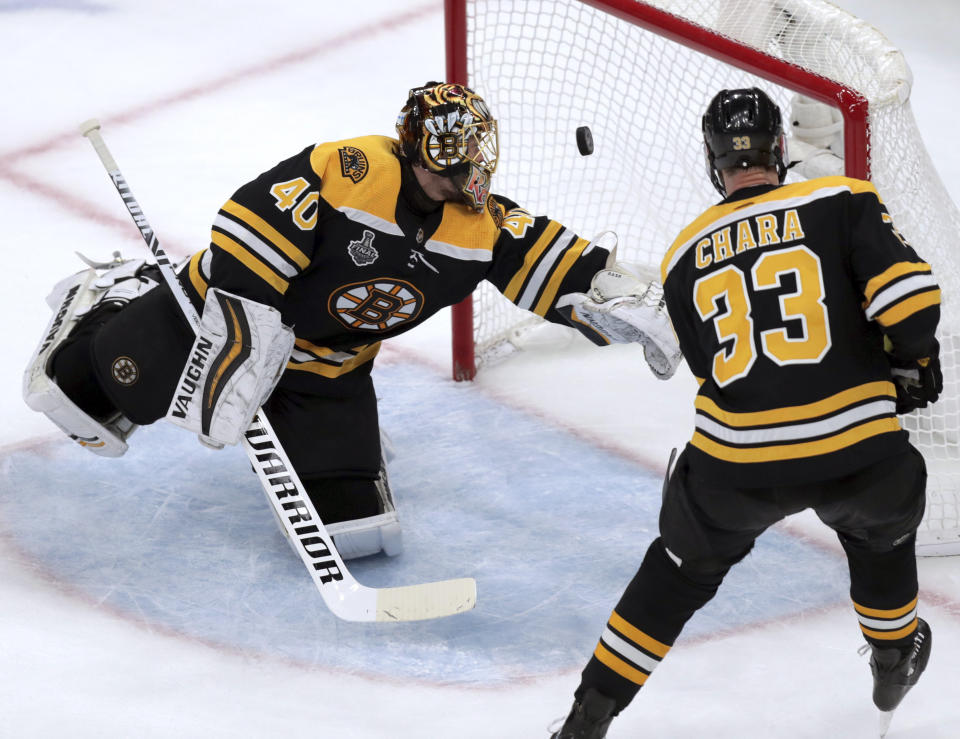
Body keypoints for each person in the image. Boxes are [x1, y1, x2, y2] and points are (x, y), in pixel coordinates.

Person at [23, 81, 681, 561]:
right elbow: (246, 228)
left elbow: (544, 255)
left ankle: (308, 422)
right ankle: (110, 302)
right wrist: (242, 342)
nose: (477, 180)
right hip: (211, 312)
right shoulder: (352, 170)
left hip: (324, 369)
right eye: (460, 170)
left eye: (480, 164)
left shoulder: (480, 226)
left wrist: (614, 293)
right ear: (422, 159)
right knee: (83, 398)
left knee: (355, 534)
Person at [550, 87, 941, 738]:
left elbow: (713, 367)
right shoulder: (842, 199)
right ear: (779, 149)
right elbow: (909, 296)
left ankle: (589, 714)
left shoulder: (682, 252)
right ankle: (894, 650)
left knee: (675, 572)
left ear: (714, 162)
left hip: (739, 463)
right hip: (858, 449)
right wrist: (913, 363)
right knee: (880, 526)